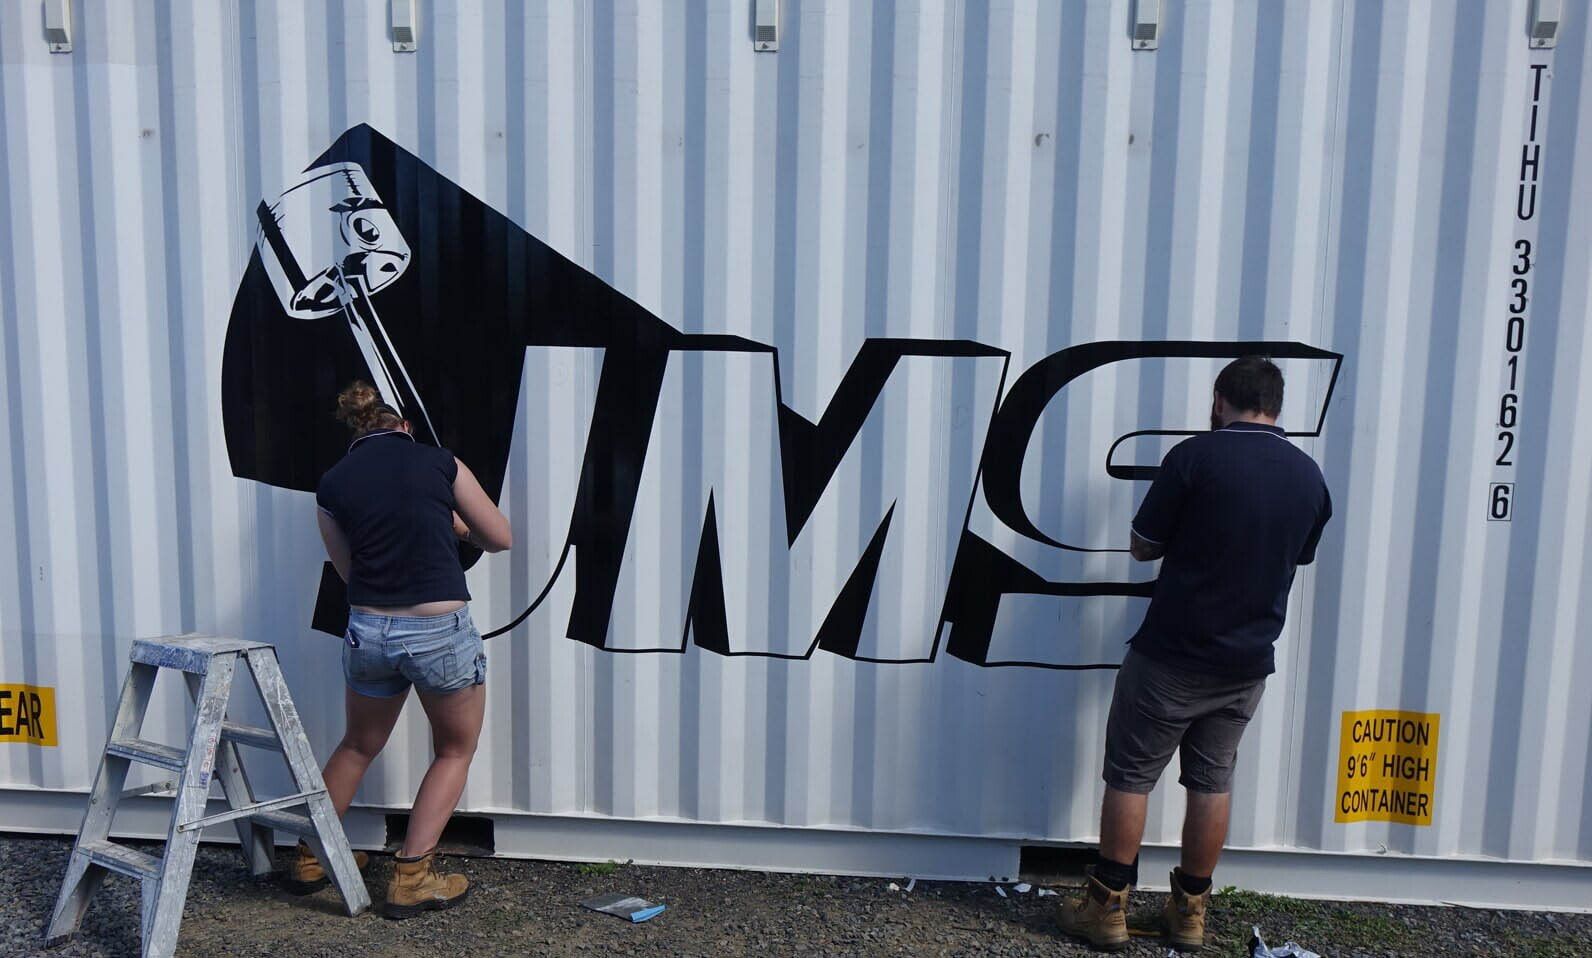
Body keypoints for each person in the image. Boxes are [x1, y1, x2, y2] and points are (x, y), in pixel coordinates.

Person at [1059, 356, 1332, 952]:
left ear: (1218, 399)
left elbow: (1142, 548)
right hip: (1246, 665)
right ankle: (1189, 916)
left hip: (1171, 658)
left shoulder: (1194, 458)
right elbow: (1299, 556)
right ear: (1276, 407)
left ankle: (1106, 909)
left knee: (1131, 776)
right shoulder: (1309, 478)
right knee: (1212, 781)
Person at [287, 381, 513, 919]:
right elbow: (500, 537)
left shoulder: (332, 483)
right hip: (438, 629)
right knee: (454, 750)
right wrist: (456, 527)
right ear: (404, 429)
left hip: (370, 629)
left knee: (358, 745)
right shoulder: (439, 464)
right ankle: (412, 877)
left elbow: (349, 573)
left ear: (357, 435)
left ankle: (310, 858)